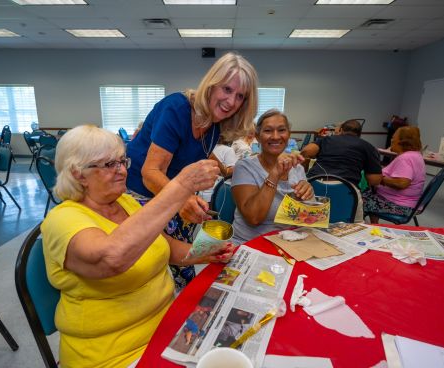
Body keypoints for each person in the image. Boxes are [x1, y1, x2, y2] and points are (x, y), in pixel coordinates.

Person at [41, 125, 234, 368]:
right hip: (113, 353)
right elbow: (112, 258)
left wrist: (208, 253)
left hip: (166, 326)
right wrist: (181, 186)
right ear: (79, 174)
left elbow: (165, 247)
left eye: (123, 161)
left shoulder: (126, 202)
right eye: (110, 164)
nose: (122, 171)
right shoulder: (62, 218)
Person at [126, 52, 258, 289]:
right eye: (227, 90)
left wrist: (223, 170)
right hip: (139, 193)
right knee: (157, 266)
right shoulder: (176, 108)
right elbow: (151, 172)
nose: (231, 102)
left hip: (171, 193)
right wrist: (183, 198)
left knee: (186, 266)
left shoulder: (214, 125)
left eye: (240, 96)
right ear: (211, 85)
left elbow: (198, 152)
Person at [231, 109, 314, 243]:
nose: (275, 136)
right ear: (257, 136)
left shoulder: (297, 168)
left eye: (281, 130)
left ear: (288, 135)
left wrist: (305, 196)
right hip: (250, 244)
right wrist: (275, 173)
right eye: (268, 131)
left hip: (287, 242)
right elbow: (254, 218)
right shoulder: (244, 167)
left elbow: (305, 218)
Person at [362, 126, 426, 224]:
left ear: (403, 141)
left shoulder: (405, 158)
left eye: (393, 137)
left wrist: (380, 179)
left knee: (358, 200)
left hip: (401, 205)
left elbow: (402, 183)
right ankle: (374, 225)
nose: (391, 140)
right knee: (367, 195)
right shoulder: (416, 155)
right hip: (410, 203)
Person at [301, 119, 382, 188]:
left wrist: (305, 170)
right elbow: (374, 180)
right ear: (360, 134)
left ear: (341, 130)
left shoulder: (327, 139)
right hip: (347, 188)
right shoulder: (369, 147)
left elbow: (306, 151)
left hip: (315, 183)